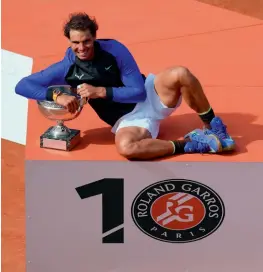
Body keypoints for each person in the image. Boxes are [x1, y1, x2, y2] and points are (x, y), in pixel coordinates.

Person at [15, 12, 235, 160]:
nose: (82, 47)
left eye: (86, 41)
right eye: (76, 42)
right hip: (130, 120)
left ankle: (212, 127)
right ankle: (192, 144)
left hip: (150, 94)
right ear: (69, 42)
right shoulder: (67, 68)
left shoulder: (114, 50)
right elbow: (22, 85)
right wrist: (56, 95)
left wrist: (99, 92)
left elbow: (138, 92)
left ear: (94, 38)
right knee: (126, 148)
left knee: (181, 73)